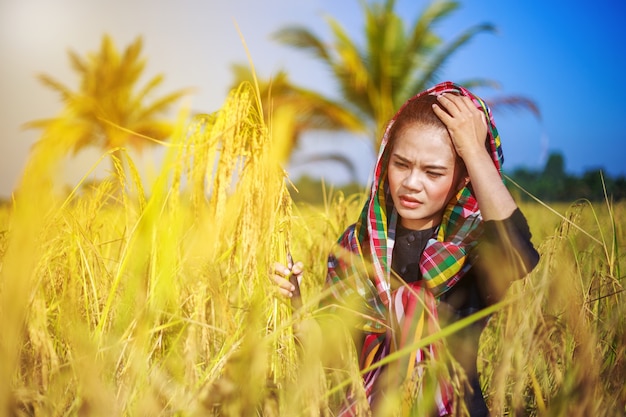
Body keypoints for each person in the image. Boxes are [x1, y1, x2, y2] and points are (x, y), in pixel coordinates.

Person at [273, 81, 540, 416]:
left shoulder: (473, 251)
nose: (412, 183)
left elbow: (518, 255)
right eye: (401, 164)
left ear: (463, 178)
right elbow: (329, 355)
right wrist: (296, 305)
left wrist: (474, 151)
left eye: (433, 172)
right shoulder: (357, 246)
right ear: (385, 162)